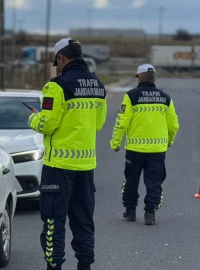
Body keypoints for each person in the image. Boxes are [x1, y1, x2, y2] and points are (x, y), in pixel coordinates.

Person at [28, 38, 107, 270]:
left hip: (59, 167)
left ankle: (54, 266)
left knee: (54, 222)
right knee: (83, 221)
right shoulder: (98, 85)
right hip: (86, 166)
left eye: (57, 63)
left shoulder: (57, 86)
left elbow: (47, 124)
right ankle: (85, 265)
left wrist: (34, 117)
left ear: (61, 58)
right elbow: (99, 124)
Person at [110, 64, 179, 225]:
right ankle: (150, 214)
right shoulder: (165, 98)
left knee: (131, 180)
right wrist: (169, 141)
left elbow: (122, 122)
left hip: (135, 149)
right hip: (157, 150)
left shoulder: (131, 96)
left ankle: (130, 211)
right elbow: (174, 125)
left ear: (140, 78)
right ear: (154, 79)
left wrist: (116, 142)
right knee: (154, 182)